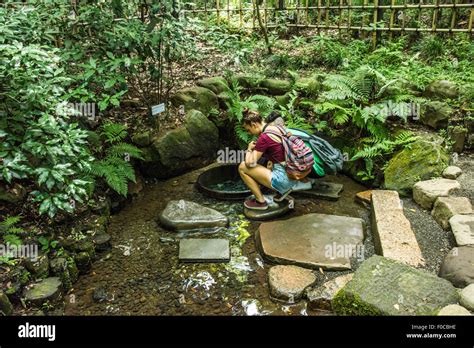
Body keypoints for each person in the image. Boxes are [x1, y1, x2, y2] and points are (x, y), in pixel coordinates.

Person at [239, 109, 312, 210]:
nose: (249, 133)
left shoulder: (264, 137)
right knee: (268, 162)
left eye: (248, 129)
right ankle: (281, 191)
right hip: (294, 174)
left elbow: (249, 163)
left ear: (254, 124)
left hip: (284, 179)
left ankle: (261, 202)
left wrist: (249, 149)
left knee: (242, 167)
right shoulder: (276, 128)